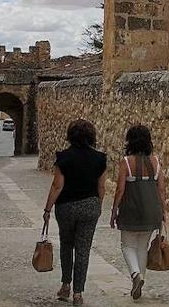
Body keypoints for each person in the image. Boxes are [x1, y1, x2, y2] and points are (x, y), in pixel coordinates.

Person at [44, 119, 106, 305]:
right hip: (90, 207)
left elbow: (57, 185)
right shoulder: (100, 158)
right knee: (83, 250)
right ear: (91, 136)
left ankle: (65, 286)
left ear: (71, 136)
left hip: (66, 207)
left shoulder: (63, 157)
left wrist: (47, 209)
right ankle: (78, 293)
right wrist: (98, 205)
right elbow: (101, 187)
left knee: (66, 245)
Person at [110, 125, 167, 300]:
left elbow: (120, 189)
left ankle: (136, 275)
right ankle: (140, 279)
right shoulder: (156, 162)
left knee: (127, 245)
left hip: (131, 209)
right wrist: (163, 211)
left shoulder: (126, 162)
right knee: (142, 246)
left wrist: (114, 211)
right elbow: (162, 190)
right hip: (152, 211)